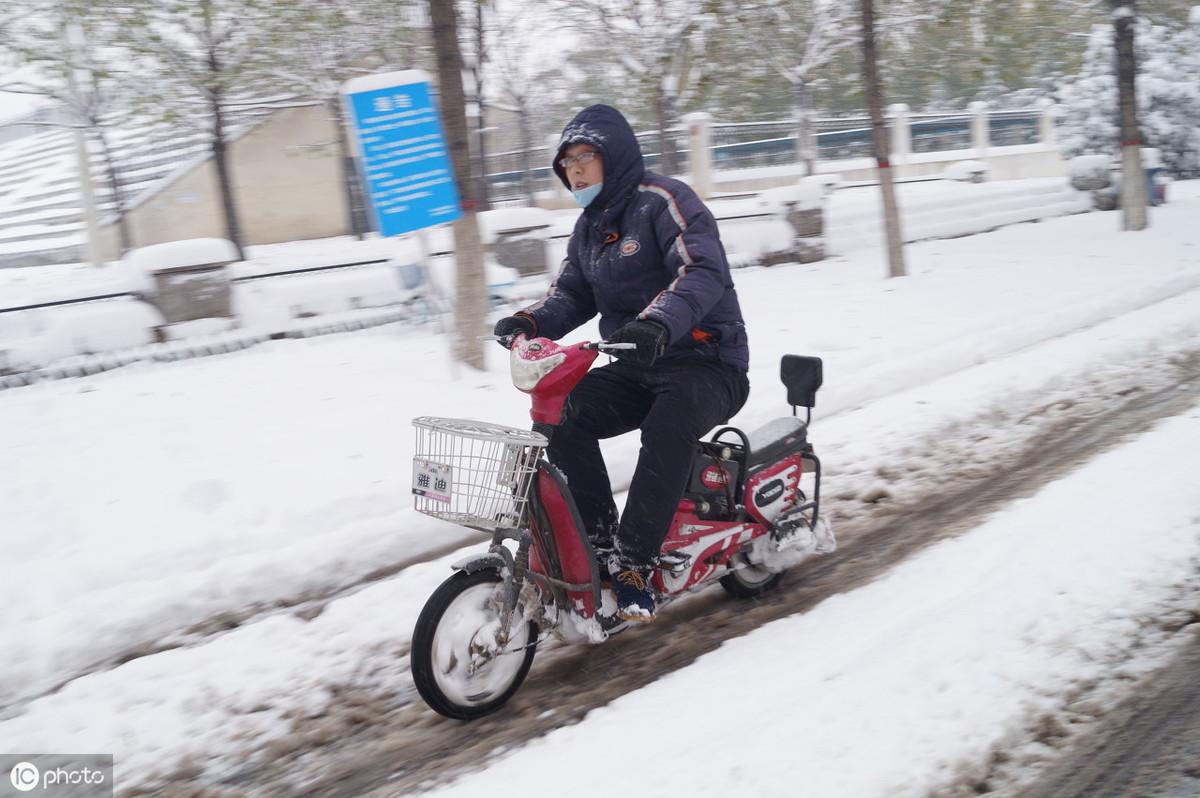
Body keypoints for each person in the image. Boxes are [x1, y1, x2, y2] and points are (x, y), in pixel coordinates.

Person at [493, 104, 749, 623]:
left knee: (668, 424)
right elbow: (570, 294)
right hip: (636, 365)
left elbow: (701, 271)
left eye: (586, 156)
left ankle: (634, 562)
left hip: (706, 360)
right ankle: (600, 545)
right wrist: (529, 323)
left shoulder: (665, 201)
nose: (576, 170)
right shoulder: (589, 229)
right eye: (567, 163)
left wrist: (658, 322)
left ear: (616, 155)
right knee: (566, 415)